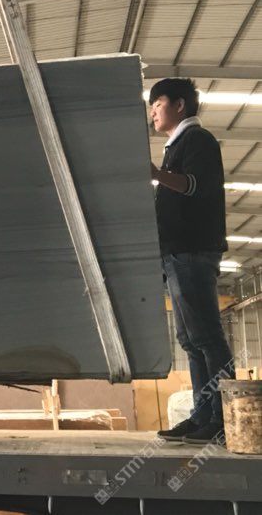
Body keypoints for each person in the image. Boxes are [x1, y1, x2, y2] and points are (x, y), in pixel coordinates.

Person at [149, 78, 234, 445]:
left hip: (193, 251)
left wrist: (156, 175)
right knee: (190, 340)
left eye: (157, 103)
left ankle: (222, 418)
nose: (153, 112)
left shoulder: (197, 140)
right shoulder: (175, 147)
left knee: (207, 337)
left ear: (179, 105)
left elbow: (195, 186)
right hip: (177, 253)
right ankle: (202, 415)